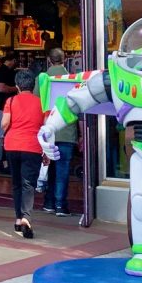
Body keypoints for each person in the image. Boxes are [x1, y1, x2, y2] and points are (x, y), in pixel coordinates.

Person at [0, 68, 44, 238]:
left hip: (12, 145)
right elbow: (46, 129)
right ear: (33, 86)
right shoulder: (42, 103)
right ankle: (26, 218)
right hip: (33, 147)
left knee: (16, 183)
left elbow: (4, 124)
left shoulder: (10, 101)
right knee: (28, 185)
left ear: (17, 86)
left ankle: (18, 219)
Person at [40, 48, 78, 215]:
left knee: (49, 169)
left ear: (49, 60)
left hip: (48, 132)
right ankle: (60, 205)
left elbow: (37, 104)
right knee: (62, 170)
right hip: (67, 132)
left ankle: (48, 202)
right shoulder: (72, 79)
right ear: (65, 59)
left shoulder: (42, 79)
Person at [0, 56, 19, 173]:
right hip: (1, 107)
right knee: (3, 133)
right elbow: (1, 88)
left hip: (4, 106)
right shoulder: (2, 71)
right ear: (11, 60)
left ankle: (2, 160)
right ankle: (0, 159)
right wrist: (16, 88)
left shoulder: (6, 71)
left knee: (4, 133)